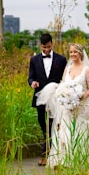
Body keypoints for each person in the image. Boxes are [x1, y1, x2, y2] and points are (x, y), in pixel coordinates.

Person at [36, 43, 89, 169]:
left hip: (81, 108)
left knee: (79, 131)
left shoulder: (86, 70)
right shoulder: (68, 68)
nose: (73, 54)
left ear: (80, 53)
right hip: (67, 108)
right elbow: (64, 85)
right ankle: (64, 161)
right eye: (71, 52)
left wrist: (80, 96)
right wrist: (64, 95)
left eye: (75, 52)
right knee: (65, 132)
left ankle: (80, 159)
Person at [28, 33, 67, 166]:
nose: (46, 50)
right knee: (43, 125)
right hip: (40, 98)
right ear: (41, 45)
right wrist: (32, 83)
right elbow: (30, 77)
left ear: (52, 44)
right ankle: (48, 151)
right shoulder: (34, 60)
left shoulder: (61, 60)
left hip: (55, 99)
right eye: (44, 47)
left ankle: (46, 155)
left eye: (49, 47)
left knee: (51, 125)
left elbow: (65, 78)